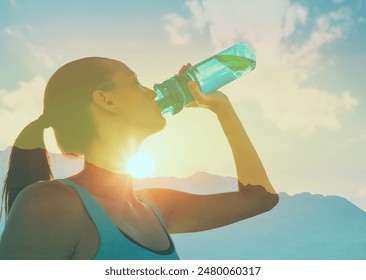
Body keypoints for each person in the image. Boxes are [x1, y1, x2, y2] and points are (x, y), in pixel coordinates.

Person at [0, 57, 278, 260]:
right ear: (105, 101)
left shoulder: (153, 206)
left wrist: (221, 107)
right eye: (135, 83)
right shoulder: (50, 203)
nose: (152, 90)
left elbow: (260, 198)